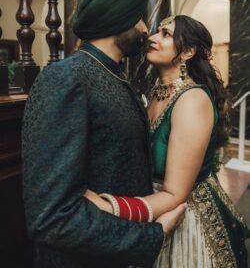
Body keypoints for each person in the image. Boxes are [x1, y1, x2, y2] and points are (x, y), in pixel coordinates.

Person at [22, 0, 186, 268]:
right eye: (139, 19)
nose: (145, 30)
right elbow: (51, 217)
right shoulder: (67, 78)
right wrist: (151, 235)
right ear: (119, 21)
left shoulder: (114, 76)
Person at [86, 14, 250, 267]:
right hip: (152, 209)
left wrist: (108, 206)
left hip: (184, 217)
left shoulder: (192, 100)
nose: (152, 38)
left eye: (165, 34)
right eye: (156, 31)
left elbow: (175, 193)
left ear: (187, 52)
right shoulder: (156, 93)